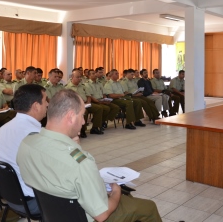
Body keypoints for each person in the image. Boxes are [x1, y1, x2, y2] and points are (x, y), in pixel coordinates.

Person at [16, 89, 162, 222]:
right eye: (82, 116)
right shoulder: (81, 162)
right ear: (71, 117)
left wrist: (73, 146)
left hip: (53, 214)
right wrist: (116, 192)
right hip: (84, 217)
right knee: (148, 207)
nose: (84, 122)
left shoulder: (26, 143)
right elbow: (102, 214)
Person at [0, 84, 47, 215]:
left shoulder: (4, 128)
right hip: (32, 202)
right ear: (36, 105)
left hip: (11, 198)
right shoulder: (36, 135)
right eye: (46, 100)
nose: (47, 104)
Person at [65, 71, 104, 137]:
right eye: (77, 77)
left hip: (86, 104)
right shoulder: (67, 88)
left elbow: (88, 95)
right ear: (72, 77)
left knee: (99, 108)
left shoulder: (83, 86)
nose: (79, 78)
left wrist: (88, 102)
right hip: (76, 106)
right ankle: (82, 130)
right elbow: (68, 100)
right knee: (84, 112)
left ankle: (95, 128)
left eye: (80, 77)